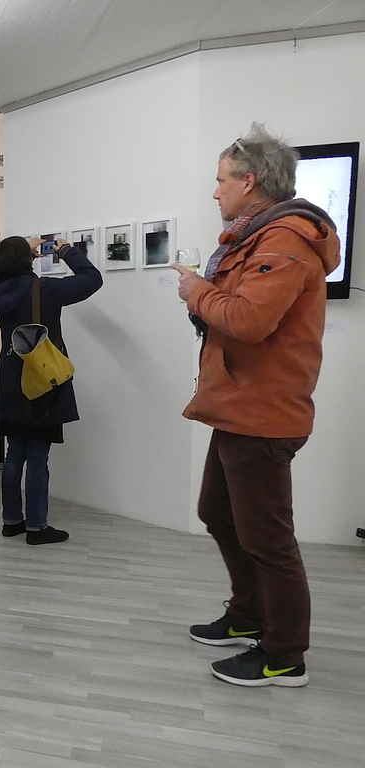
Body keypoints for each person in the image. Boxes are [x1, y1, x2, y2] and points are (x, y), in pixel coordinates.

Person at [174, 124, 339, 688]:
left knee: (269, 540)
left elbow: (248, 320)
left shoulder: (283, 241)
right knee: (217, 513)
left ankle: (284, 655)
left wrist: (197, 291)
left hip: (263, 412)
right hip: (239, 405)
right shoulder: (257, 238)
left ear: (249, 182)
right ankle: (249, 615)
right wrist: (204, 295)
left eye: (221, 180)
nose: (214, 191)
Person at [0, 236, 102, 545]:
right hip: (41, 379)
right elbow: (92, 278)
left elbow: (12, 273)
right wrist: (64, 250)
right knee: (37, 456)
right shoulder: (44, 289)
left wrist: (21, 251)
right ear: (27, 259)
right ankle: (36, 528)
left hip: (10, 378)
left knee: (14, 454)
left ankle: (12, 521)